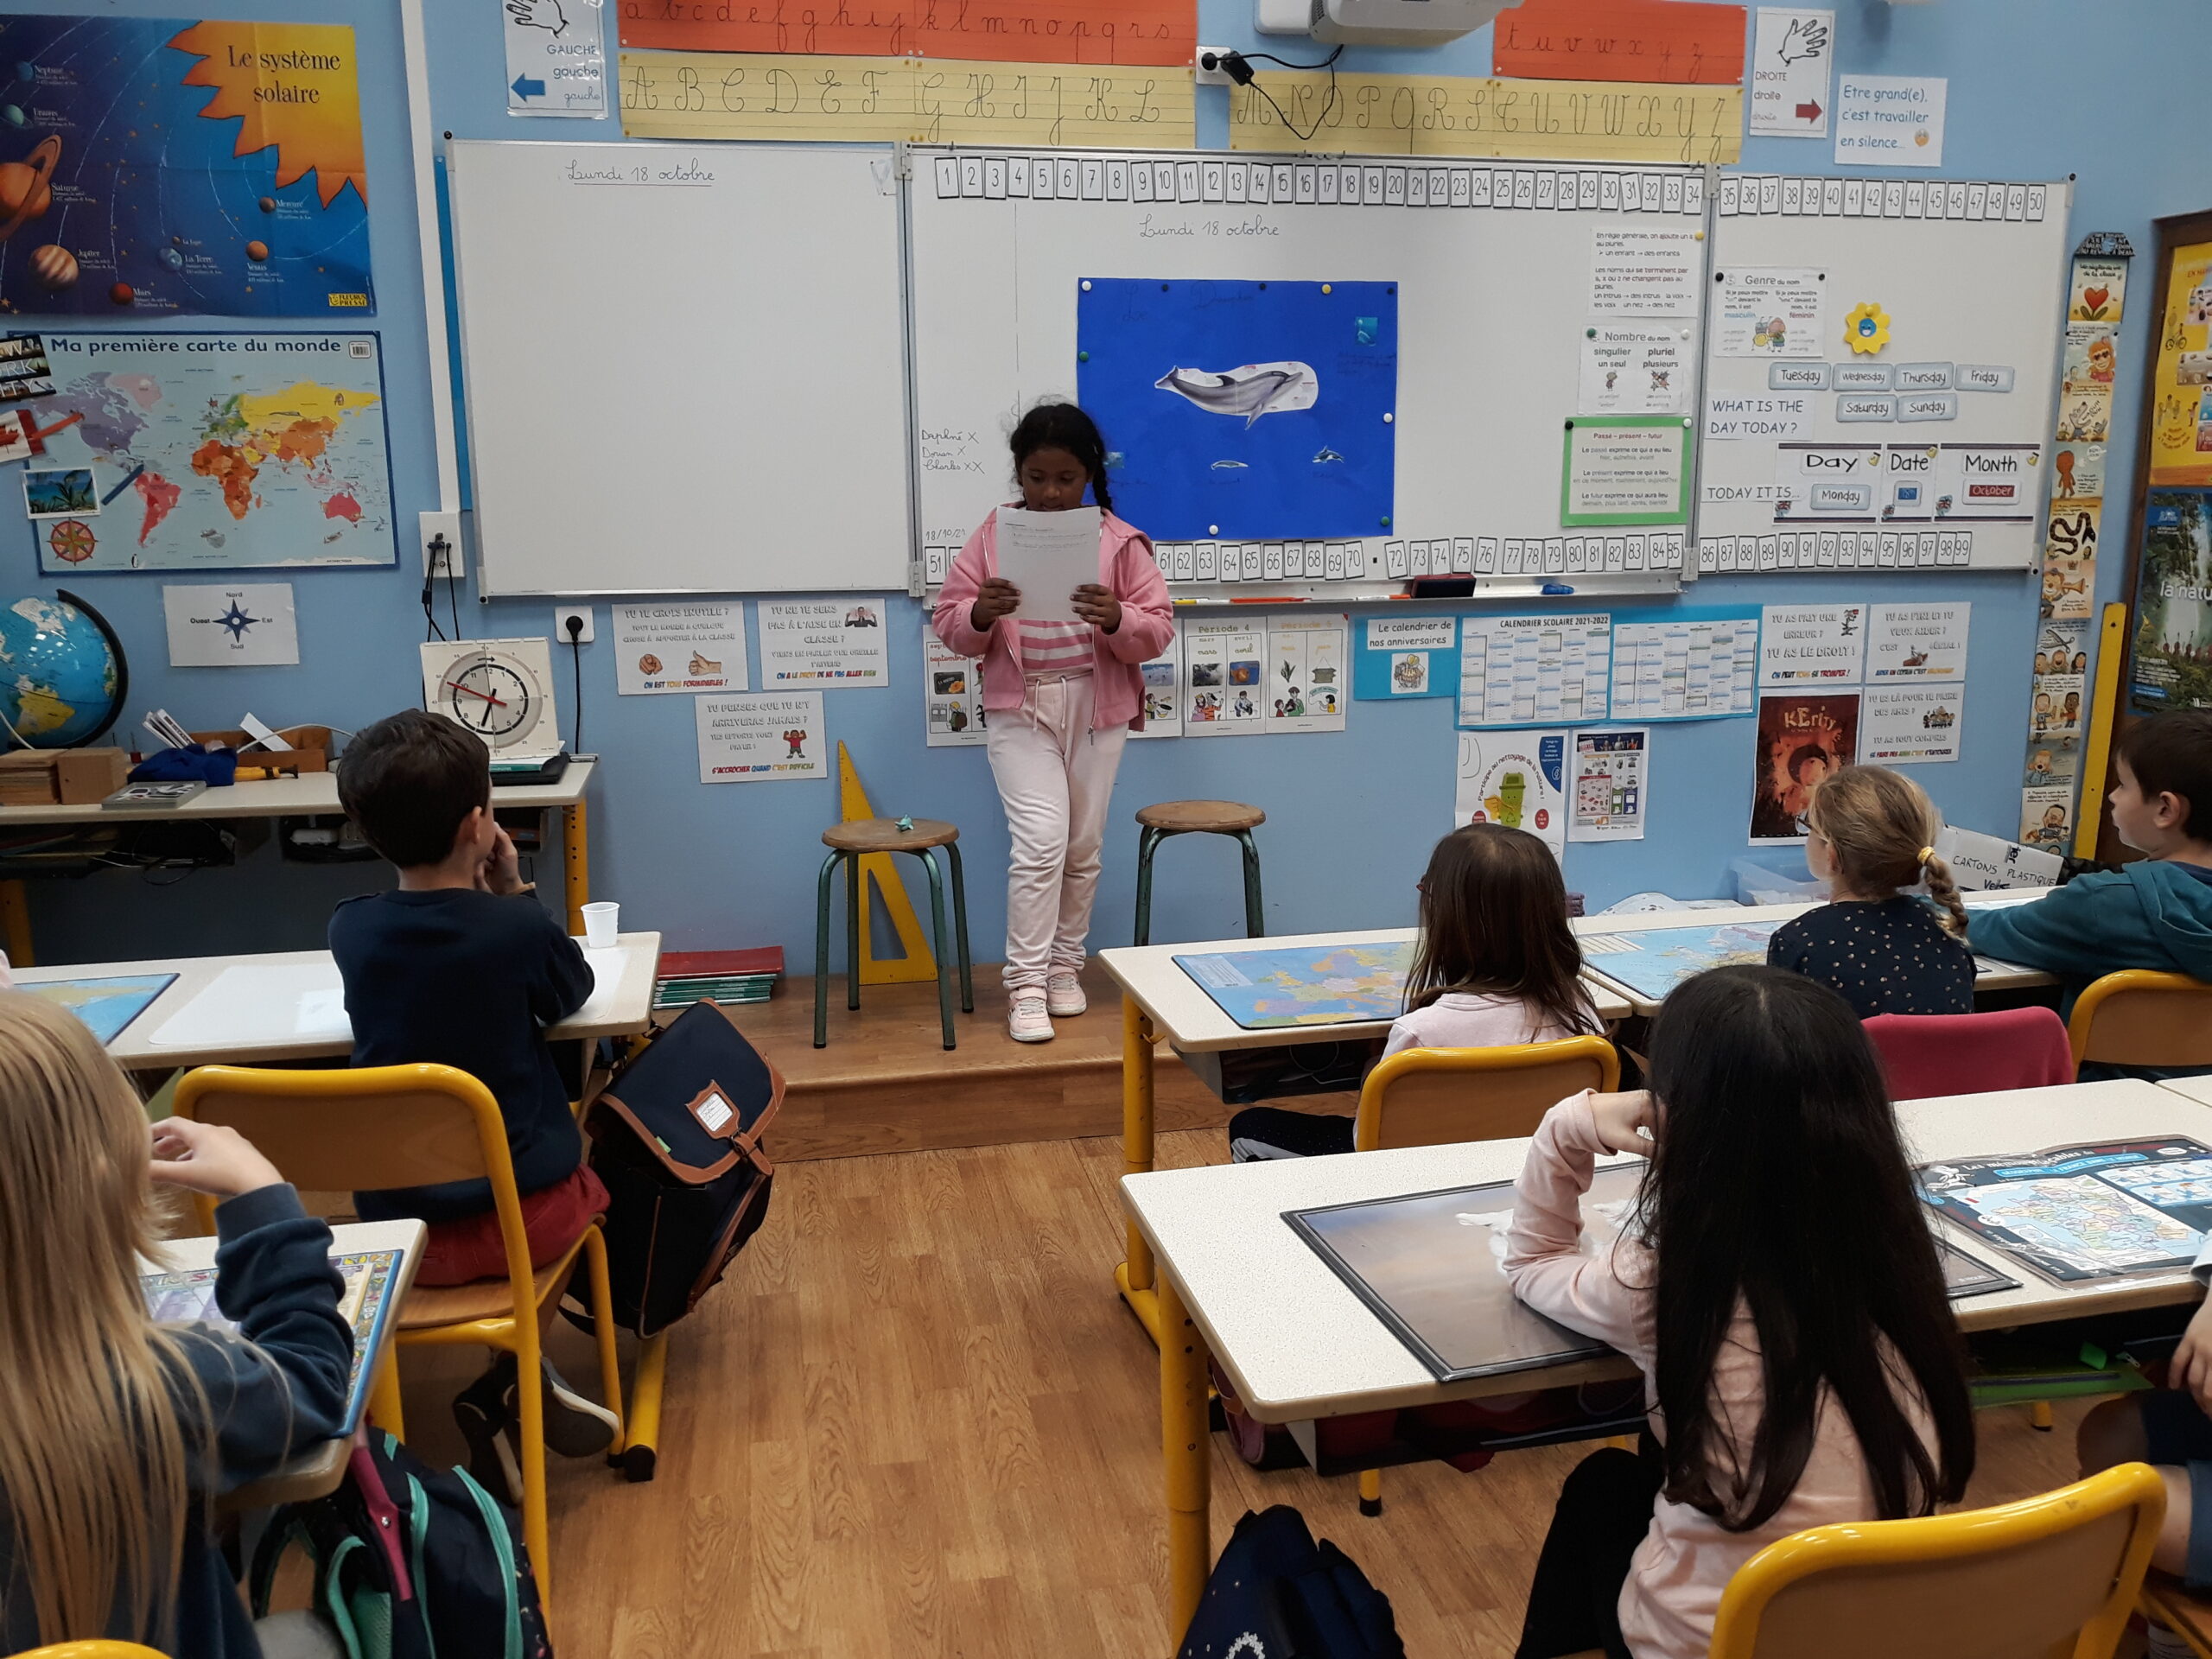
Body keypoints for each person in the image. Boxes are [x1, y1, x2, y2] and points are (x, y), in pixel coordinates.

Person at [1507, 967, 1975, 1659]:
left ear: (1685, 1121)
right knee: (1661, 1456)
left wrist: (1566, 1127)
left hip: (1717, 1643)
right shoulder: (1901, 1263)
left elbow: (1531, 1262)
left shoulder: (1665, 1283)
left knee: (1601, 1488)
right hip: (1876, 1633)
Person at [0, 992, 353, 1657]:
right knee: (316, 1639)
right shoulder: (160, 1386)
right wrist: (264, 1201)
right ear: (104, 1183)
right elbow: (312, 1383)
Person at [331, 709, 618, 1492]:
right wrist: (516, 889)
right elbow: (570, 990)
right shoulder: (512, 930)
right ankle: (513, 1377)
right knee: (590, 1188)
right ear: (479, 824)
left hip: (401, 1234)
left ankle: (514, 1385)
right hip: (524, 1227)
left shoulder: (351, 929)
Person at [931, 402, 1173, 1044]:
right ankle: (1027, 985)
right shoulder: (993, 535)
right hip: (1021, 708)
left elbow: (1158, 629)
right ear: (1019, 473)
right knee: (1040, 842)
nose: (1051, 492)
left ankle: (1066, 967)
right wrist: (979, 613)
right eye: (1037, 478)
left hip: (1097, 707)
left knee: (1082, 847)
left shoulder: (1119, 542)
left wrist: (1118, 617)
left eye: (1066, 478)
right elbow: (950, 622)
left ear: (1089, 474)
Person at [1224, 823, 1599, 1161]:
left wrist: (1372, 1070)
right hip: (1533, 1176)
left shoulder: (1420, 1034)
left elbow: (1369, 1142)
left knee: (1250, 1128)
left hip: (1416, 1186)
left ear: (1444, 914)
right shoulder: (1583, 1016)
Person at [1968, 712, 2212, 1044]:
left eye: (2123, 785)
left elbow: (1980, 929)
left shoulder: (2104, 902)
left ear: (2165, 810)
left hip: (2099, 1076)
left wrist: (1922, 906)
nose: (2112, 796)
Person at [1766, 765, 1974, 1018]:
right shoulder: (1947, 931)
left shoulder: (1799, 941)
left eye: (1808, 826)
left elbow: (1784, 1034)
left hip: (1847, 1047)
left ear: (1832, 856)